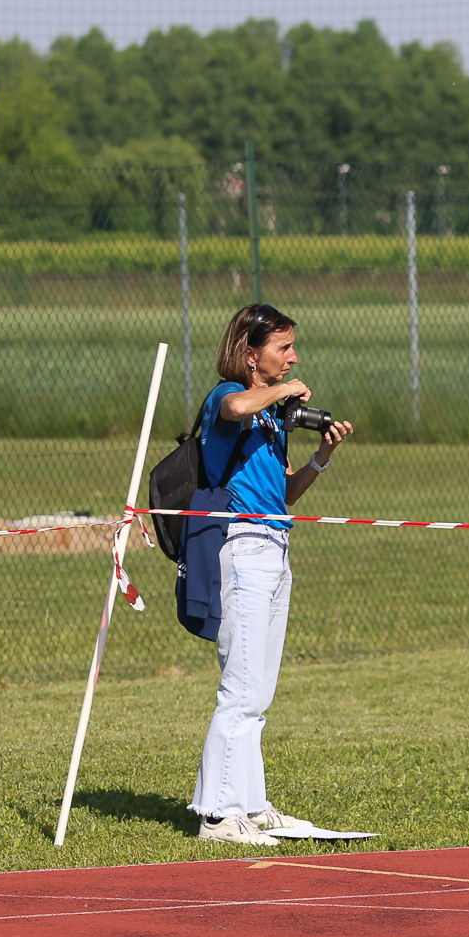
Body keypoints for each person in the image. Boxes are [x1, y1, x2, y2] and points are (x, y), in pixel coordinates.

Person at [184, 304, 356, 846]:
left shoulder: (270, 417)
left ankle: (252, 806)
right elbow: (235, 405)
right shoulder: (228, 396)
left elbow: (282, 495)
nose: (293, 358)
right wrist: (281, 393)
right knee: (239, 688)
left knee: (258, 693)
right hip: (243, 548)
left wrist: (320, 458)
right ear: (250, 353)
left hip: (276, 547)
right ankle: (217, 815)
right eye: (283, 347)